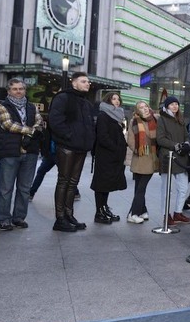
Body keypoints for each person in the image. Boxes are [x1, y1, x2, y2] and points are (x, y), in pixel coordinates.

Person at [0, 78, 44, 231]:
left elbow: (39, 122)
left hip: (30, 152)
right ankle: (3, 219)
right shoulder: (2, 106)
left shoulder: (31, 107)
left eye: (21, 89)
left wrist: (33, 129)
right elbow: (8, 125)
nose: (18, 91)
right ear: (9, 91)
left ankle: (19, 218)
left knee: (24, 188)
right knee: (6, 188)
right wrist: (31, 131)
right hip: (9, 152)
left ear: (25, 90)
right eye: (14, 89)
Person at [48, 72, 95, 232]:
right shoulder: (63, 98)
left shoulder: (86, 103)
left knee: (73, 183)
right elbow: (55, 120)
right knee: (63, 181)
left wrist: (88, 141)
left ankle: (69, 214)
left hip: (81, 148)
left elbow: (89, 126)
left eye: (88, 82)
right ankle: (59, 218)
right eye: (83, 81)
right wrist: (69, 136)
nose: (87, 84)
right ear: (74, 83)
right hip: (67, 147)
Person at [90, 92, 127, 224]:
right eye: (113, 98)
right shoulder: (103, 115)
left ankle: (104, 208)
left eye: (118, 99)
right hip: (105, 155)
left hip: (113, 156)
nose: (117, 101)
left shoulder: (117, 116)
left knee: (107, 184)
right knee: (101, 184)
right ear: (108, 100)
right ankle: (99, 212)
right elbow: (103, 136)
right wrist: (116, 148)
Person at [156, 96, 190, 225]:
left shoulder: (180, 119)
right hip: (168, 157)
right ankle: (166, 215)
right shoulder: (162, 119)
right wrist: (175, 145)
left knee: (183, 187)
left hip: (181, 158)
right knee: (166, 189)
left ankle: (178, 212)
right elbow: (160, 139)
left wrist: (187, 143)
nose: (175, 106)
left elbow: (187, 135)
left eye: (176, 104)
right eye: (172, 104)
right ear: (167, 106)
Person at [27, 119, 81, 202]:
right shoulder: (49, 128)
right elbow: (44, 140)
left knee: (64, 174)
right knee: (42, 172)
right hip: (50, 154)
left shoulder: (60, 128)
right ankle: (31, 193)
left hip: (59, 155)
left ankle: (76, 192)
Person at [126, 100, 159, 224]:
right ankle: (133, 213)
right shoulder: (134, 121)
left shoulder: (155, 120)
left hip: (152, 158)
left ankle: (141, 211)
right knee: (140, 188)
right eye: (141, 107)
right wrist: (139, 150)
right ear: (137, 110)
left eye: (145, 106)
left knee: (140, 187)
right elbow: (130, 140)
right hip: (140, 157)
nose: (144, 109)